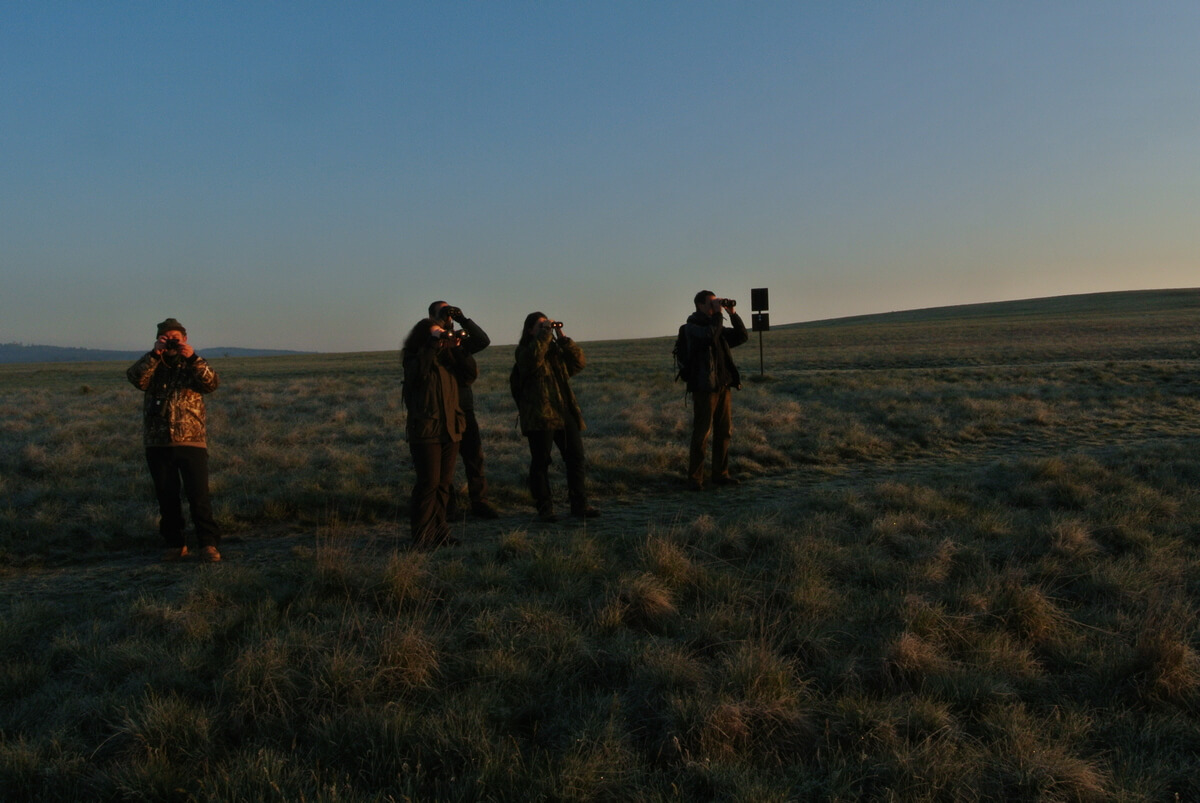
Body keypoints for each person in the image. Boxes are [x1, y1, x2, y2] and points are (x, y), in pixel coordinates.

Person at [126, 318, 223, 561]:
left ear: (185, 339)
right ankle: (175, 544)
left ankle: (208, 544)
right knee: (166, 498)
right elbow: (135, 378)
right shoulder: (153, 365)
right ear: (159, 339)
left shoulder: (192, 365)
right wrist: (153, 354)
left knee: (199, 496)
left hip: (191, 441)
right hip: (158, 442)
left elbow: (211, 383)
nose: (171, 342)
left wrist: (193, 358)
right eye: (166, 338)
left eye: (175, 338)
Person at [513, 312, 599, 522]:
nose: (546, 329)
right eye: (541, 326)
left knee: (576, 457)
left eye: (548, 325)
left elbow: (578, 363)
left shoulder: (554, 352)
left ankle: (579, 505)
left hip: (563, 411)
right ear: (530, 330)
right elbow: (533, 360)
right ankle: (545, 508)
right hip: (540, 415)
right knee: (541, 461)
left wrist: (562, 338)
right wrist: (544, 335)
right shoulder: (523, 351)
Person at [401, 317, 476, 547]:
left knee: (444, 485)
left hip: (451, 429)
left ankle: (440, 532)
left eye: (443, 333)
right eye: (437, 334)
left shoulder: (449, 359)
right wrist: (432, 345)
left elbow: (470, 375)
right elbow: (417, 376)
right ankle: (422, 536)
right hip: (426, 431)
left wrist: (458, 349)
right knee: (428, 484)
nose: (443, 338)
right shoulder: (414, 358)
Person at [428, 301, 499, 519]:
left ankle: (479, 502)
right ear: (432, 316)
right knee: (445, 461)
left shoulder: (460, 339)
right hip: (442, 409)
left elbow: (483, 341)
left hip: (464, 406)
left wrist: (462, 318)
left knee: (474, 456)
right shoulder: (431, 339)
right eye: (443, 312)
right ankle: (447, 506)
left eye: (449, 311)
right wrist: (439, 331)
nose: (447, 315)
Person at [682, 291, 748, 490]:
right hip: (704, 388)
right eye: (711, 303)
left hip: (722, 386)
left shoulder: (717, 326)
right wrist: (719, 314)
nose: (715, 306)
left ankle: (721, 474)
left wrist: (732, 313)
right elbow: (710, 336)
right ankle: (695, 479)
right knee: (702, 433)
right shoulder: (691, 327)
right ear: (700, 305)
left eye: (716, 303)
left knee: (724, 432)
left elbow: (742, 336)